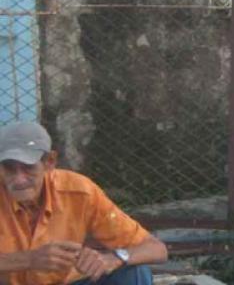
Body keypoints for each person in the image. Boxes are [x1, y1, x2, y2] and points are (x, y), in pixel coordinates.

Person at [0, 121, 168, 285]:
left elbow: (156, 249)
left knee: (133, 271)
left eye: (28, 167)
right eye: (9, 168)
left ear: (49, 162)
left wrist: (112, 258)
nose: (19, 179)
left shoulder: (79, 191)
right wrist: (30, 259)